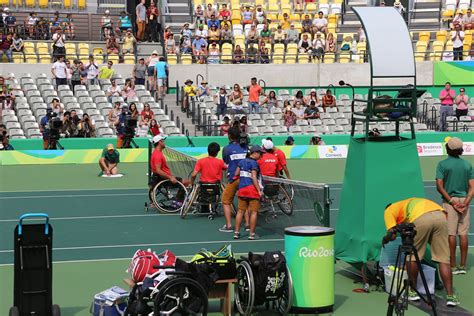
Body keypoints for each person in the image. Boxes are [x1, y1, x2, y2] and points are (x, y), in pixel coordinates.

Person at [382, 198, 460, 306]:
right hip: (441, 216)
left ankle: (412, 292)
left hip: (422, 218)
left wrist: (385, 239)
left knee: (412, 256)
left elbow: (392, 235)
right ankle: (451, 296)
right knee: (443, 258)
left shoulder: (388, 210)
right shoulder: (407, 204)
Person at [436, 137, 473, 275]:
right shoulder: (467, 165)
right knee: (463, 234)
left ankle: (452, 265)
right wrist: (465, 203)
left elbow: (439, 186)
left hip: (450, 203)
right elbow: (472, 187)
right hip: (464, 202)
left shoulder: (442, 164)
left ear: (448, 148)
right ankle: (462, 266)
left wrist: (452, 202)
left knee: (451, 234)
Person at [220, 127, 249, 233]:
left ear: (229, 136)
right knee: (244, 200)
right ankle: (247, 224)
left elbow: (225, 161)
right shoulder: (246, 147)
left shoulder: (227, 149)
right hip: (246, 178)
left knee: (226, 201)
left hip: (233, 178)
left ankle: (228, 226)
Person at [233, 145, 265, 240]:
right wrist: (259, 190)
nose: (260, 155)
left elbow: (236, 173)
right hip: (252, 190)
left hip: (242, 189)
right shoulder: (254, 163)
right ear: (254, 153)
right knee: (254, 212)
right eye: (259, 153)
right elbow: (254, 177)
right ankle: (251, 234)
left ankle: (236, 232)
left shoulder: (241, 162)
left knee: (240, 211)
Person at [149, 135, 190, 204]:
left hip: (162, 178)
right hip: (165, 179)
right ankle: (178, 201)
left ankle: (179, 199)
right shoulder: (157, 155)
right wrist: (170, 177)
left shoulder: (156, 153)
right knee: (188, 182)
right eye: (163, 141)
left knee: (185, 181)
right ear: (160, 142)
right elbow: (158, 170)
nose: (164, 142)